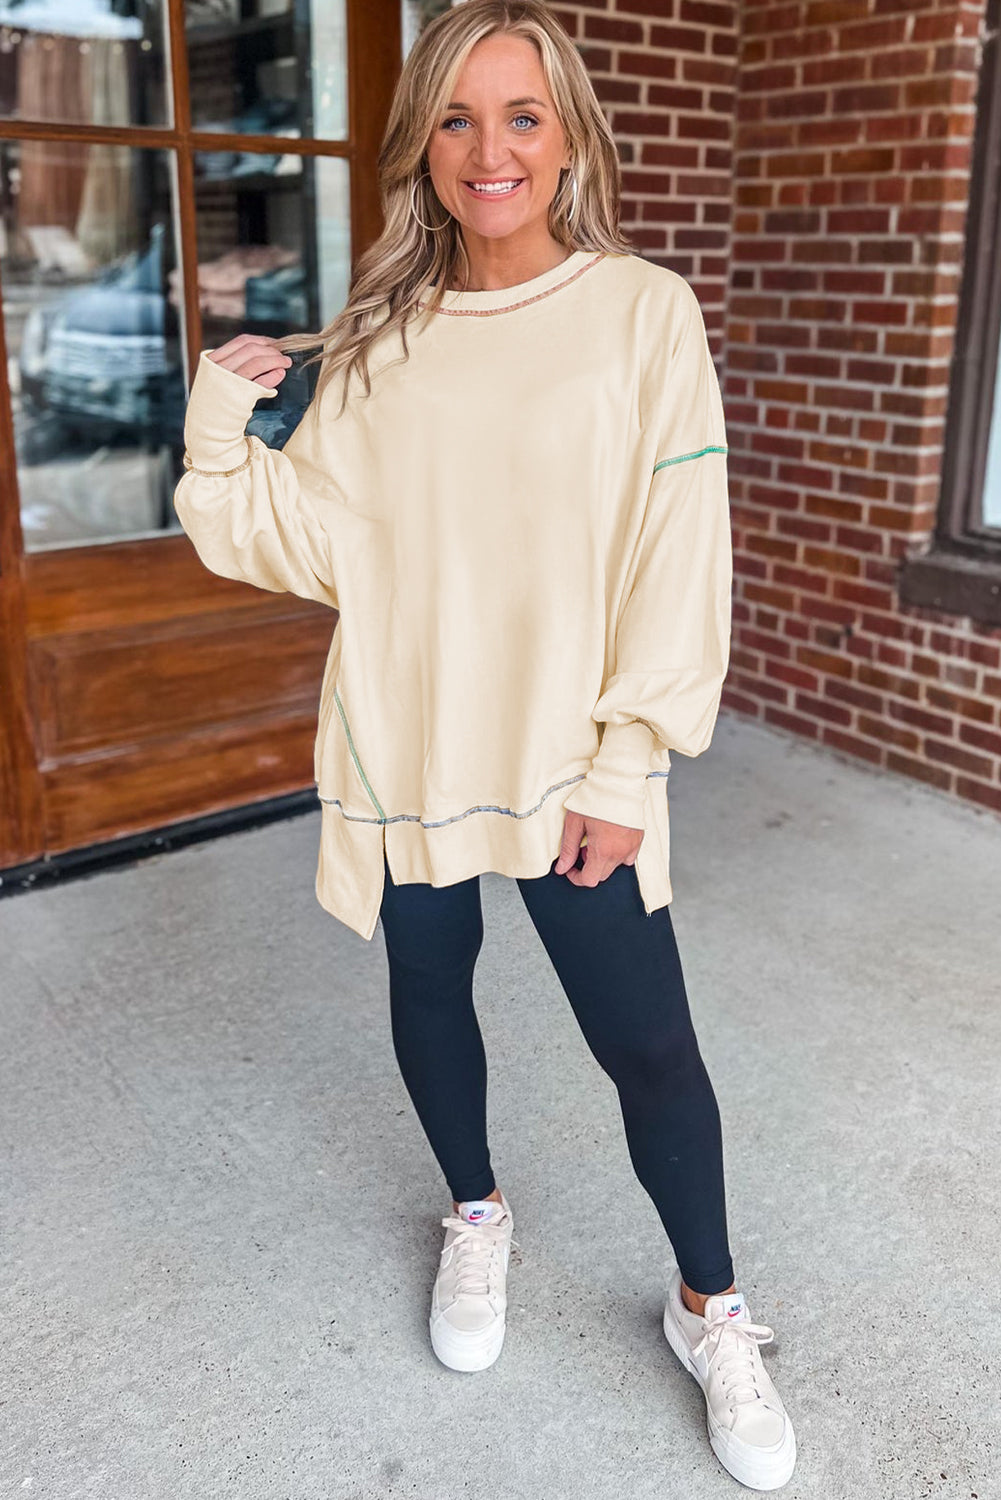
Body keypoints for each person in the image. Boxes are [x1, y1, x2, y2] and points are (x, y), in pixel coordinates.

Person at [173, 1, 796, 1490]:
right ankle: (475, 1213)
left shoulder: (642, 312)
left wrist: (628, 760)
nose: (488, 149)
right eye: (455, 117)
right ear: (421, 149)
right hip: (409, 740)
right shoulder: (376, 344)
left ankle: (709, 1304)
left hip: (574, 759)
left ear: (569, 136)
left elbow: (677, 552)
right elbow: (298, 545)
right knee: (428, 989)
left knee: (647, 1043)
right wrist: (215, 430)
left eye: (521, 115)